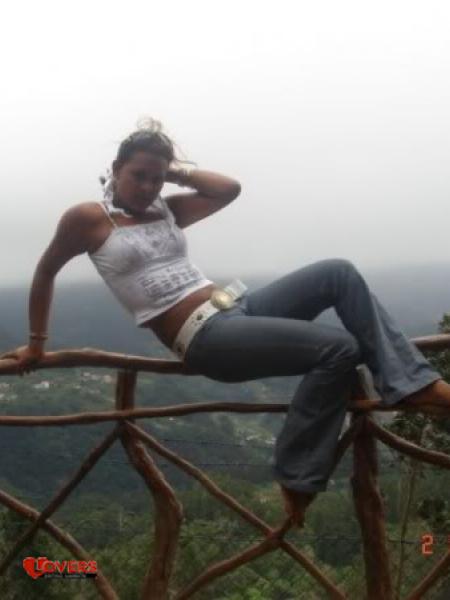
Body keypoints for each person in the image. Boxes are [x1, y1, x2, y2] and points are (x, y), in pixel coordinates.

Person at [3, 119, 450, 528]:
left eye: (156, 178)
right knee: (340, 349)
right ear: (116, 169)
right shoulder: (87, 219)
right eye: (138, 175)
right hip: (204, 336)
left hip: (237, 307)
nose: (148, 186)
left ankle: (411, 384)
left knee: (339, 272)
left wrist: (172, 171)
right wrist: (37, 344)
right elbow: (44, 271)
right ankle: (297, 476)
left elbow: (228, 189)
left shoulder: (165, 209)